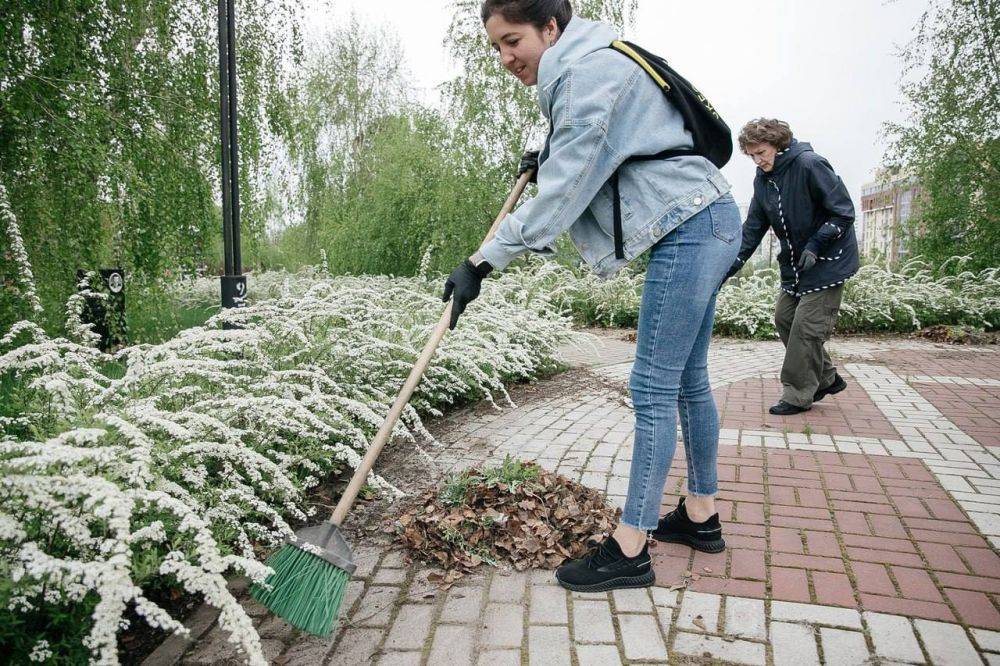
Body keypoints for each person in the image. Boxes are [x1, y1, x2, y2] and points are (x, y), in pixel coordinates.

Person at [441, 0, 740, 592]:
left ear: (550, 28)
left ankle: (630, 549)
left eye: (513, 40)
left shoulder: (586, 76)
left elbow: (562, 195)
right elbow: (606, 143)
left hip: (689, 226)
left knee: (653, 386)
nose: (505, 57)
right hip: (711, 218)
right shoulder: (598, 63)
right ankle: (700, 515)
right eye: (495, 46)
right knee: (688, 381)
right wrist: (550, 149)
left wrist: (482, 260)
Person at [722, 119, 859, 415]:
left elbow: (844, 212)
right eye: (752, 156)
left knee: (806, 329)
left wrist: (816, 243)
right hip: (797, 266)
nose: (758, 161)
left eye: (761, 152)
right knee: (784, 318)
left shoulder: (810, 165)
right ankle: (825, 378)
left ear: (778, 144)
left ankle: (798, 394)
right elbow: (753, 228)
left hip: (828, 261)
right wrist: (729, 265)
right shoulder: (763, 180)